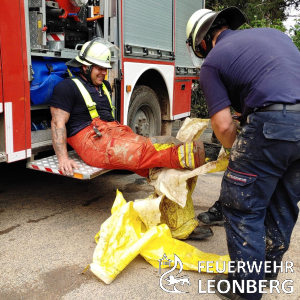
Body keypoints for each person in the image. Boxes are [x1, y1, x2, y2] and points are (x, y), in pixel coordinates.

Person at [187, 6, 300, 300]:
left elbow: (223, 125)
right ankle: (264, 275)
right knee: (282, 202)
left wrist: (237, 155)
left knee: (242, 205)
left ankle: (244, 290)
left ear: (202, 41)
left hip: (271, 125)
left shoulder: (212, 62)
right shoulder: (276, 36)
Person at [49, 37, 212, 240]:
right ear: (84, 66)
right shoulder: (67, 88)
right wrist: (63, 158)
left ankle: (182, 225)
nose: (103, 72)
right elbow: (57, 123)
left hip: (114, 132)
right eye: (99, 68)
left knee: (164, 165)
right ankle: (193, 154)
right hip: (90, 139)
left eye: (105, 68)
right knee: (147, 153)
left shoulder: (104, 87)